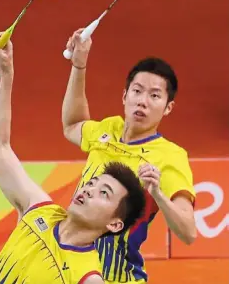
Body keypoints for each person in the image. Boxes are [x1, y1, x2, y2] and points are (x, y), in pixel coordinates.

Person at [0, 33, 146, 284]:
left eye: (104, 193)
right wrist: (4, 74)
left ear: (114, 224)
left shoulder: (87, 278)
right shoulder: (38, 210)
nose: (89, 190)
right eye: (93, 184)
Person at [62, 29, 197, 283]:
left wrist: (158, 193)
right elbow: (72, 126)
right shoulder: (109, 129)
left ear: (168, 108)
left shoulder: (169, 156)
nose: (142, 101)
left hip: (114, 276)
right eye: (137, 91)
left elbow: (189, 232)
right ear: (125, 95)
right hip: (70, 269)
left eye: (154, 96)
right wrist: (79, 67)